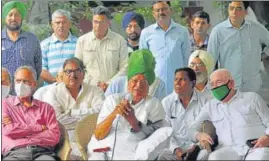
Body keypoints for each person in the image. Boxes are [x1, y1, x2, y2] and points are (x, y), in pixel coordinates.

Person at [87, 49, 165, 160]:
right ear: (128, 83)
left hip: (131, 151)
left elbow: (156, 138)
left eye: (143, 82)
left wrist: (133, 121)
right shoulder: (113, 100)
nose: (138, 85)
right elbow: (99, 135)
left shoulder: (154, 104)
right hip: (102, 148)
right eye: (135, 80)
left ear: (149, 86)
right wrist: (114, 113)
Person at [189, 69, 269, 160]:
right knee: (214, 158)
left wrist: (267, 137)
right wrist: (198, 135)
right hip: (228, 150)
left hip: (256, 147)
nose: (215, 87)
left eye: (218, 82)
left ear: (231, 84)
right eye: (212, 84)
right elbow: (191, 128)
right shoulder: (210, 106)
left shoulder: (252, 98)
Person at [44, 57, 105, 159]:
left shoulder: (96, 91)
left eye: (77, 70)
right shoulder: (52, 92)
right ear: (62, 75)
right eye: (68, 71)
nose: (73, 75)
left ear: (83, 74)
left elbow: (101, 115)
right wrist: (86, 122)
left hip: (92, 139)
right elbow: (56, 119)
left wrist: (70, 112)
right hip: (64, 140)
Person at [207, 1, 269, 92]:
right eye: (231, 8)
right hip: (228, 87)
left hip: (253, 87)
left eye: (238, 8)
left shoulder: (256, 28)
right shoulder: (218, 31)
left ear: (246, 11)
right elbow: (210, 60)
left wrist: (263, 55)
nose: (234, 12)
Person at [2, 66, 60, 160]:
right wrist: (40, 128)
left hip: (42, 152)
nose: (21, 85)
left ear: (34, 84)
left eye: (25, 81)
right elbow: (8, 130)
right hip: (15, 153)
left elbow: (54, 136)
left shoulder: (46, 108)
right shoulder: (5, 104)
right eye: (18, 81)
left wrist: (23, 135)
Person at [158, 67, 210, 160]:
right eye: (175, 79)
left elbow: (207, 130)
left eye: (182, 79)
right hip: (175, 147)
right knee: (162, 155)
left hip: (196, 147)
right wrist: (176, 150)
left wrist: (196, 147)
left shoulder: (205, 100)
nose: (177, 83)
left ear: (193, 83)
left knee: (204, 155)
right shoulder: (167, 102)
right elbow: (165, 131)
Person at [139, 1, 191, 94]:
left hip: (178, 84)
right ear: (153, 13)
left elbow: (186, 58)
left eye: (164, 9)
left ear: (170, 10)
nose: (161, 12)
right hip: (154, 85)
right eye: (157, 10)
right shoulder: (146, 33)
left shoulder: (182, 31)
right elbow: (143, 62)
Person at [75, 6, 128, 92]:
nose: (98, 26)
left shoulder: (120, 40)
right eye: (95, 22)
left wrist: (109, 84)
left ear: (109, 22)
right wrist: (96, 84)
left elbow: (125, 67)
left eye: (102, 22)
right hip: (89, 89)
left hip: (114, 89)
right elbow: (78, 68)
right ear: (92, 22)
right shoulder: (82, 41)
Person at [2, 1, 42, 94]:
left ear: (21, 18)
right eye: (10, 14)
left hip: (26, 94)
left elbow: (38, 68)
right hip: (3, 94)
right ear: (5, 17)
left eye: (17, 15)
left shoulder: (32, 39)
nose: (13, 18)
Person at [40, 9, 77, 85]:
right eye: (57, 23)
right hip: (50, 89)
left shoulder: (78, 43)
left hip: (73, 88)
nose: (61, 25)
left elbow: (81, 68)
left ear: (69, 24)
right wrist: (56, 82)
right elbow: (42, 70)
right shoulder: (44, 45)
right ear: (52, 24)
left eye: (64, 22)